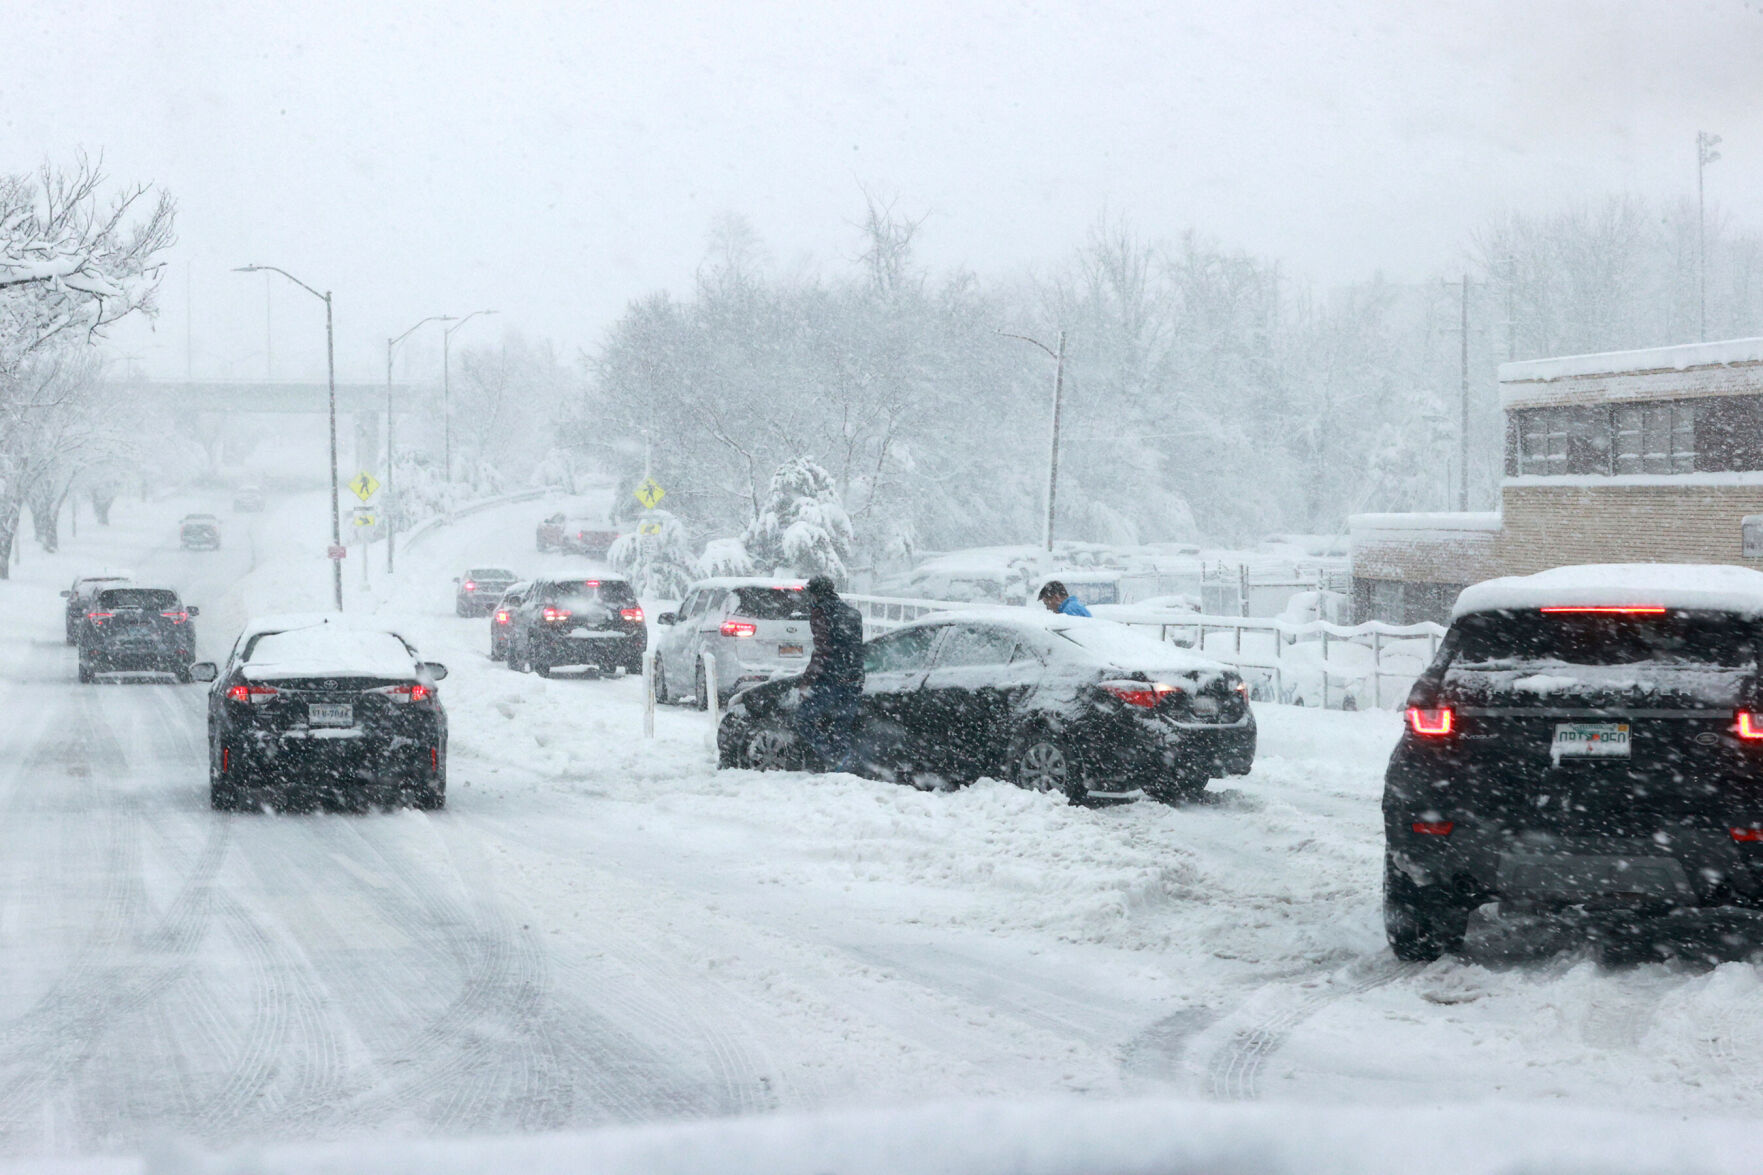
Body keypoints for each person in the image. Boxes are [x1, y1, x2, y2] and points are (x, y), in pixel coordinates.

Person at [797, 575, 866, 771]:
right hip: (854, 675)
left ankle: (831, 758)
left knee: (804, 719)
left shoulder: (822, 612)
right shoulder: (852, 613)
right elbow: (855, 646)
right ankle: (843, 767)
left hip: (831, 677)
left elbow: (823, 651)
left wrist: (807, 681)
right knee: (841, 727)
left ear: (815, 594)